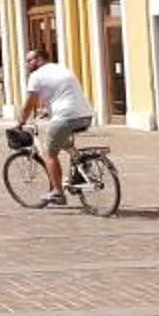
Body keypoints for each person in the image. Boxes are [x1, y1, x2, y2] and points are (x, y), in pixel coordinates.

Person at [16, 49, 96, 207]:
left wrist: (20, 122)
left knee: (49, 153)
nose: (27, 64)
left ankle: (58, 193)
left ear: (39, 59)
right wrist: (47, 110)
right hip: (86, 115)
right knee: (62, 140)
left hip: (65, 117)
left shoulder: (36, 76)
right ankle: (81, 164)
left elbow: (29, 104)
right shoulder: (61, 68)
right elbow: (63, 93)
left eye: (29, 60)